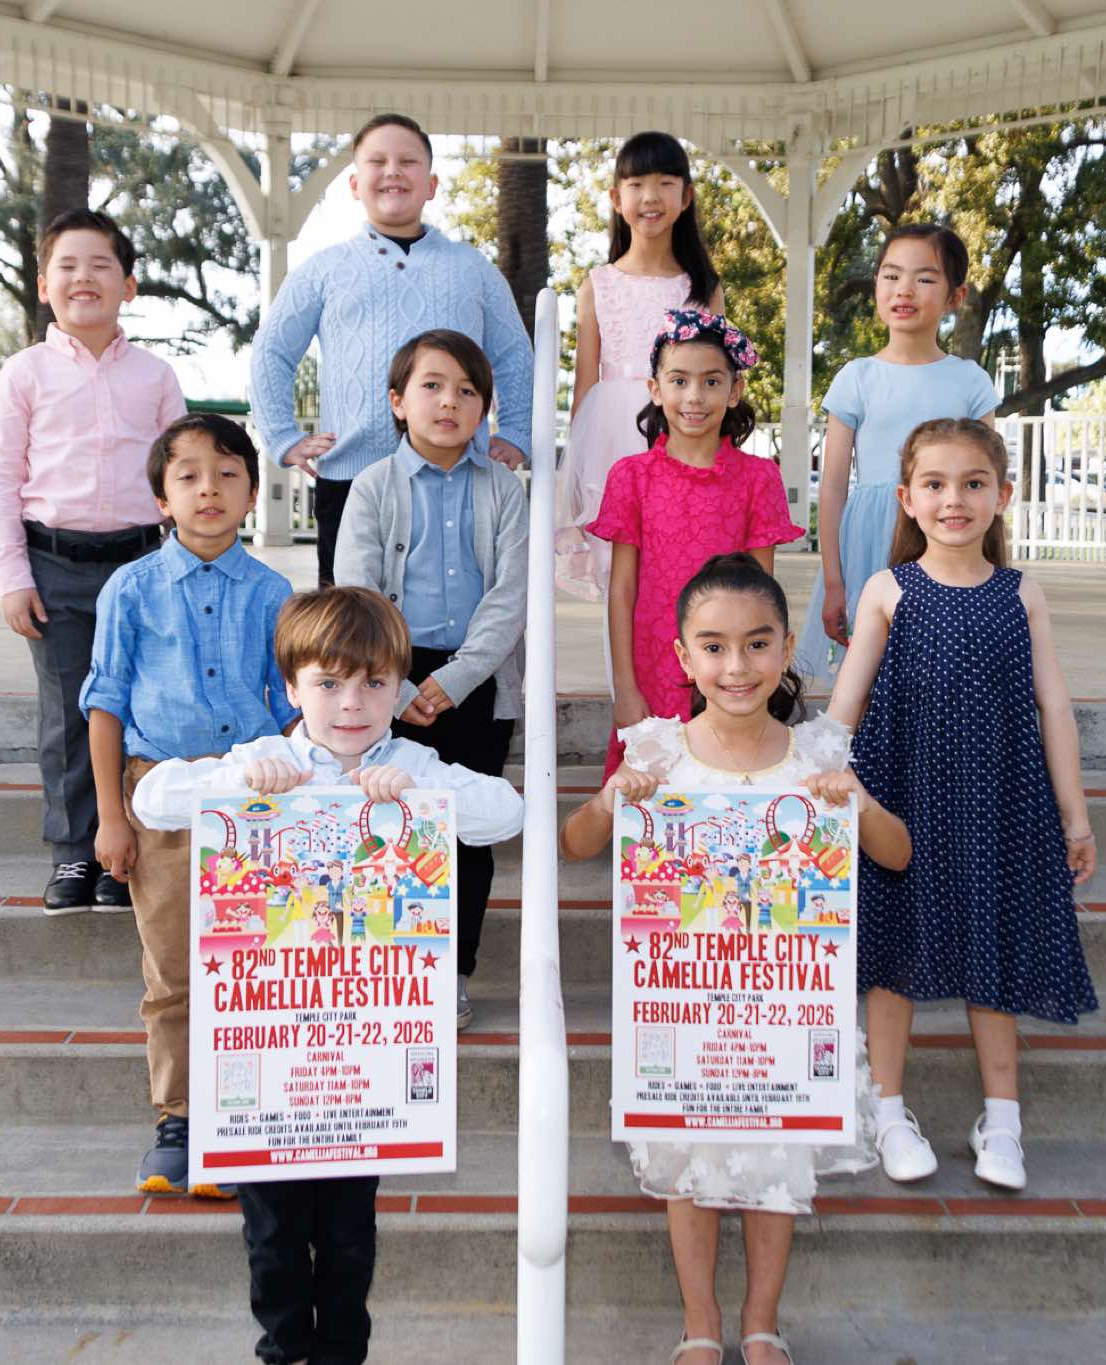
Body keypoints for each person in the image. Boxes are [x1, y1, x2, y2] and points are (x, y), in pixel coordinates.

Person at [130, 585, 524, 1365]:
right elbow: (150, 797)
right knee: (272, 1233)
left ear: (399, 686)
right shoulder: (264, 759)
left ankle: (344, 1352)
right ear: (291, 687)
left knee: (348, 1232)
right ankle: (282, 1350)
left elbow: (505, 811)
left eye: (374, 682)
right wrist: (237, 784)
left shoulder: (410, 762)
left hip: (359, 1064)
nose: (352, 703)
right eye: (329, 682)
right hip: (272, 1059)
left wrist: (421, 795)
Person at [560, 553, 910, 1365]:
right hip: (689, 1013)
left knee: (777, 1166)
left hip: (782, 1014)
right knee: (688, 1168)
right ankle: (699, 1322)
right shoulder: (656, 752)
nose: (736, 665)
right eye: (713, 647)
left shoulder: (818, 753)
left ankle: (761, 1321)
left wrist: (855, 802)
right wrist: (612, 799)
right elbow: (576, 842)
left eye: (757, 643)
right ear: (683, 657)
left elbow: (896, 851)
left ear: (786, 649)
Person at [828, 419, 1100, 1193]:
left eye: (973, 483)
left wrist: (1075, 814)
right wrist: (822, 783)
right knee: (895, 958)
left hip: (1001, 803)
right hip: (901, 801)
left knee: (995, 955)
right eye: (936, 485)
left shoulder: (1022, 593)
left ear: (1003, 495)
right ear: (907, 498)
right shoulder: (888, 590)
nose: (955, 499)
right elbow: (845, 706)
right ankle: (887, 1111)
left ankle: (1002, 1122)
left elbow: (1055, 706)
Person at [78, 412, 297, 1198]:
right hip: (159, 799)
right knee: (173, 967)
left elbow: (292, 706)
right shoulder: (131, 590)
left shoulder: (274, 592)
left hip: (253, 800)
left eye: (228, 474)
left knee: (253, 961)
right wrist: (111, 816)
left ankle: (245, 1112)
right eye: (190, 475)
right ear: (162, 499)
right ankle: (178, 1120)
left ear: (253, 494)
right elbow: (104, 702)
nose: (210, 489)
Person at [0, 208, 188, 913]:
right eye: (66, 266)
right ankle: (73, 850)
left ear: (128, 285)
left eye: (101, 265)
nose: (84, 278)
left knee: (139, 708)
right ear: (44, 286)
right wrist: (13, 576)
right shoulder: (25, 374)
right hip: (55, 566)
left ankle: (126, 851)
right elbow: (1, 477)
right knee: (68, 713)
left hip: (140, 565)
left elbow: (181, 472)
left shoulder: (155, 376)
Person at [333, 330, 529, 1031]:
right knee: (384, 821)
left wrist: (459, 677)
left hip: (477, 679)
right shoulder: (372, 486)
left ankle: (454, 972)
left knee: (466, 833)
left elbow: (511, 594)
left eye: (468, 391)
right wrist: (400, 683)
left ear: (484, 410)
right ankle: (385, 963)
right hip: (388, 675)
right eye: (433, 386)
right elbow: (357, 589)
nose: (450, 402)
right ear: (398, 401)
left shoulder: (503, 489)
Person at [250, 112, 535, 586]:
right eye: (377, 161)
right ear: (354, 184)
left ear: (432, 184)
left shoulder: (474, 270)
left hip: (458, 475)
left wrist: (516, 432)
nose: (393, 172)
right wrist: (282, 435)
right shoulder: (323, 269)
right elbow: (270, 350)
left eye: (408, 162)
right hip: (350, 478)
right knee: (351, 619)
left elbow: (513, 354)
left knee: (457, 608)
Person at [587, 310, 804, 778]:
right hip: (652, 660)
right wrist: (625, 686)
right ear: (655, 388)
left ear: (734, 390)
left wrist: (758, 674)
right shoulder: (631, 477)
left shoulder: (759, 478)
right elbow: (622, 589)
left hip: (730, 664)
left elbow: (763, 595)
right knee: (651, 788)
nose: (694, 396)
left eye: (711, 382)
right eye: (679, 380)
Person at [796, 224, 1000, 683]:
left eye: (924, 278)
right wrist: (834, 580)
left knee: (939, 665)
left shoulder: (970, 381)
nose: (904, 289)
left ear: (955, 296)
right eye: (891, 275)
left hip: (945, 537)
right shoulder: (857, 378)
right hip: (871, 542)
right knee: (868, 669)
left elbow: (986, 479)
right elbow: (833, 486)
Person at [556, 130, 724, 601]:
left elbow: (716, 379)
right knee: (620, 573)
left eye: (665, 183)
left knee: (683, 569)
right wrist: (574, 477)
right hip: (611, 443)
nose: (650, 197)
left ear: (686, 197)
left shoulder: (703, 289)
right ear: (616, 198)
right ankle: (620, 656)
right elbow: (584, 385)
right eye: (636, 184)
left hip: (680, 434)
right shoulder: (598, 285)